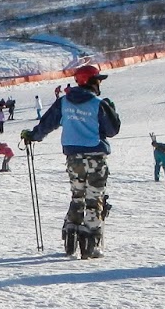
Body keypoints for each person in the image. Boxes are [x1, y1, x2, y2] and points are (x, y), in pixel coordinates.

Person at [23, 64, 121, 259]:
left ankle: (71, 237)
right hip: (96, 158)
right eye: (98, 79)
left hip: (73, 158)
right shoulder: (99, 104)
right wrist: (112, 111)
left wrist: (32, 136)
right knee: (94, 199)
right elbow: (112, 130)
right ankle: (91, 243)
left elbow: (47, 124)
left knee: (78, 196)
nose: (100, 83)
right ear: (91, 81)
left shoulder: (64, 102)